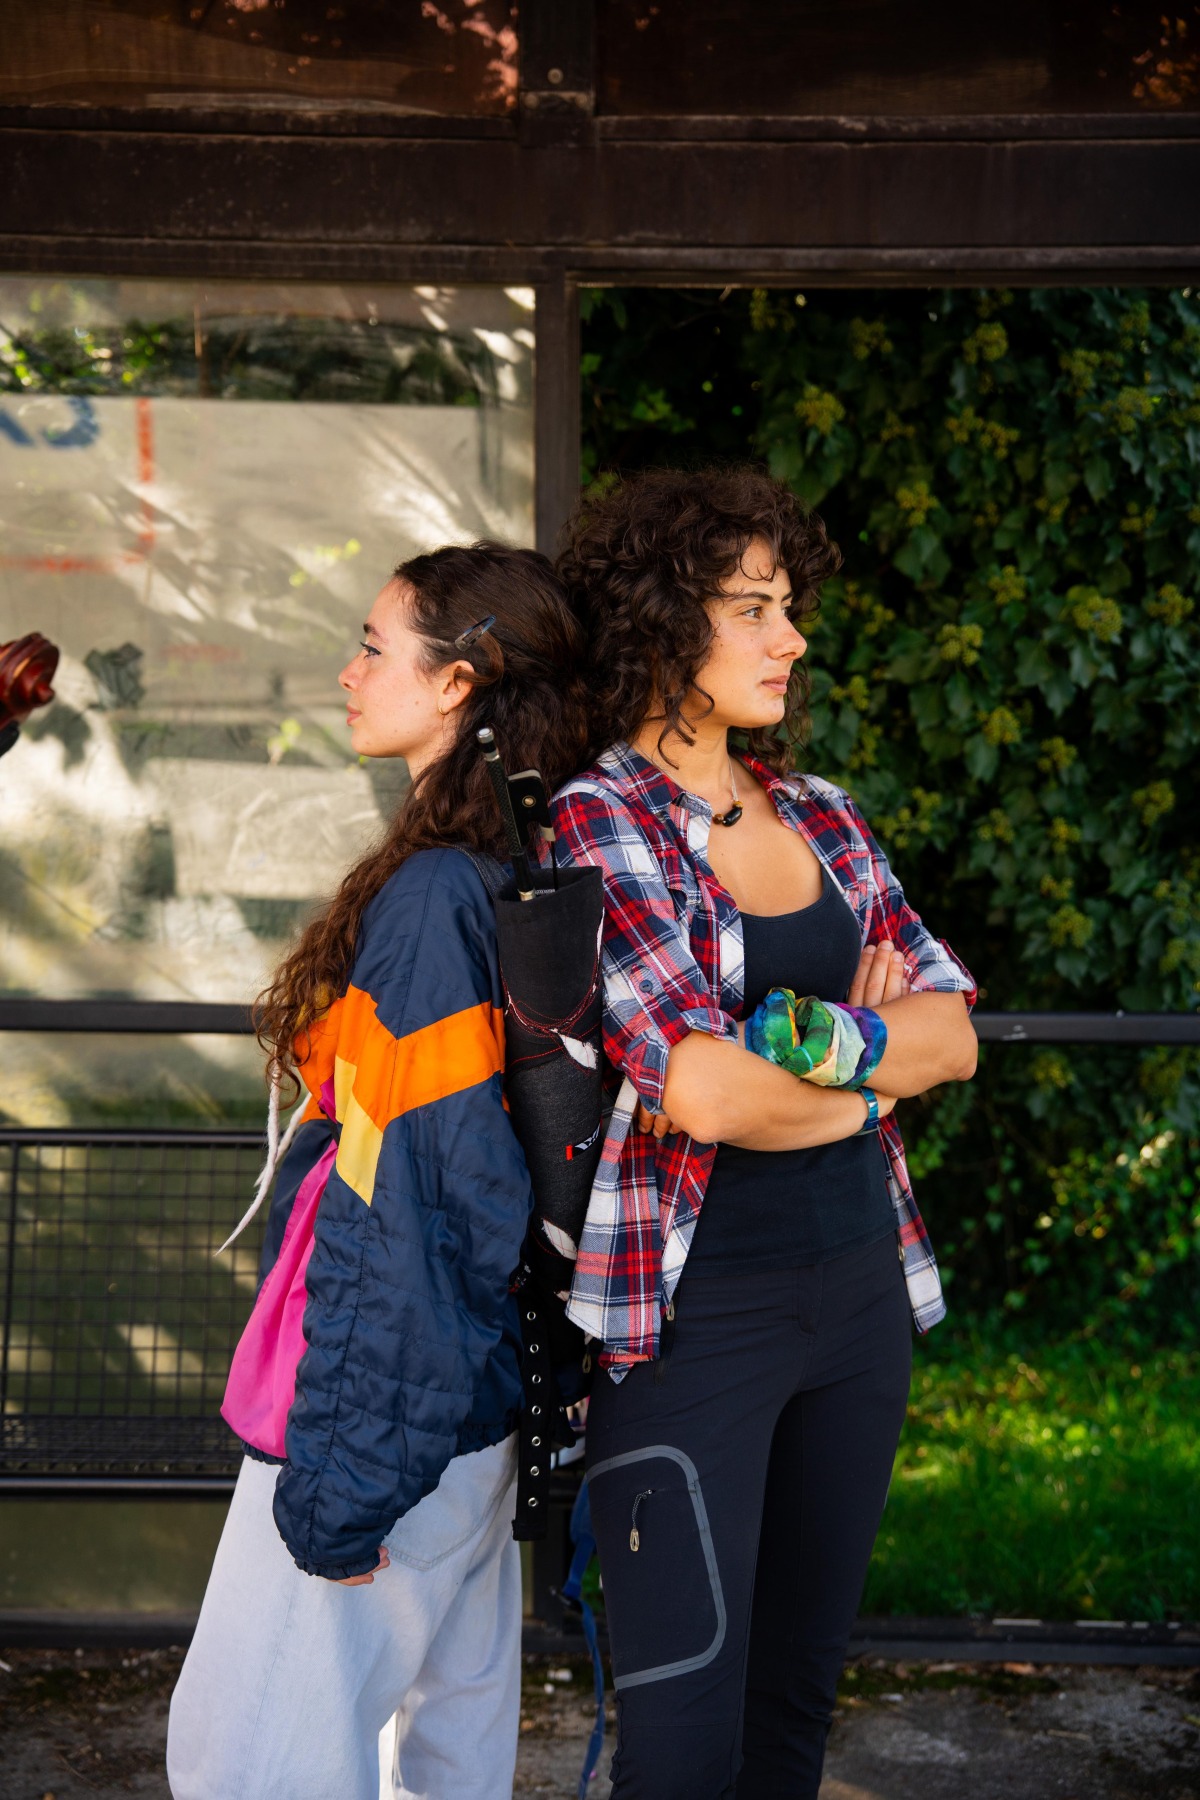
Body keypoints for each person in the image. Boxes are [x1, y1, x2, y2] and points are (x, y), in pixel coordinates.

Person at [551, 467, 978, 1800]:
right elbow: (706, 1094)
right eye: (752, 608)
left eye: (787, 606)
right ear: (661, 619)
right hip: (695, 1325)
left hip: (858, 1301)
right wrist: (872, 1068)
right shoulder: (602, 818)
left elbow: (954, 1031)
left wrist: (824, 1051)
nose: (789, 638)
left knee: (793, 1715)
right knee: (684, 1744)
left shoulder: (826, 814)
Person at [167, 542, 588, 1800]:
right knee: (441, 1763)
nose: (348, 673)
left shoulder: (433, 900)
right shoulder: (517, 874)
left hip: (384, 1417)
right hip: (468, 1408)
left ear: (458, 683)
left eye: (371, 646)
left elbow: (411, 1199)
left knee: (247, 1764)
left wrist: (344, 1481)